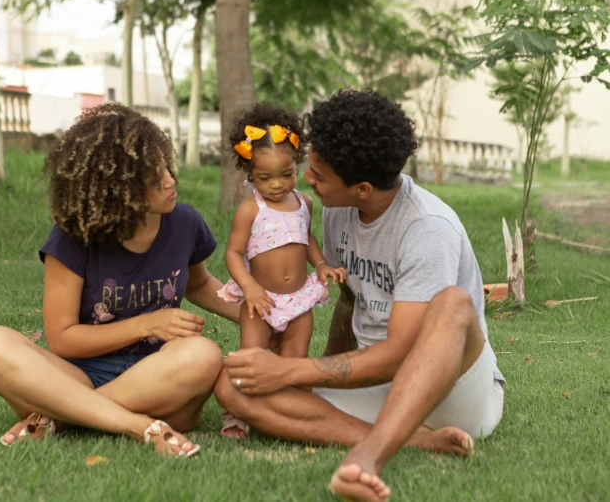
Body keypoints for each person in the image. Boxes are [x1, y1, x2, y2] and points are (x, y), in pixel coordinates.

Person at [214, 90, 506, 501]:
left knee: (452, 304)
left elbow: (401, 353)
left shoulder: (427, 228)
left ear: (363, 188)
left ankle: (366, 458)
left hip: (454, 387)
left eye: (317, 174)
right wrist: (306, 382)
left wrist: (292, 373)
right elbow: (349, 298)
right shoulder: (336, 209)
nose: (307, 181)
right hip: (378, 385)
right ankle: (420, 440)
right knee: (233, 385)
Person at [0, 104, 239, 458]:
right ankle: (136, 425)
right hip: (78, 374)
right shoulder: (72, 238)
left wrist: (257, 313)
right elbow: (63, 339)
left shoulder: (185, 222)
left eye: (166, 166)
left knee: (204, 354)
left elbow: (199, 284)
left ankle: (61, 417)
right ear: (117, 187)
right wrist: (147, 324)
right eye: (154, 175)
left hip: (157, 378)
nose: (171, 180)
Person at [216, 103, 345, 439]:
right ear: (249, 173)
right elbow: (232, 253)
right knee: (251, 356)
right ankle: (238, 413)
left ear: (297, 165)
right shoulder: (250, 209)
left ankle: (294, 412)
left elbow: (308, 238)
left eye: (286, 175)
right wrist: (249, 288)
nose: (277, 185)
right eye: (265, 178)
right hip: (262, 301)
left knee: (295, 359)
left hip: (298, 300)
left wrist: (320, 264)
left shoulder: (305, 203)